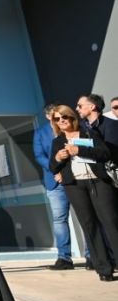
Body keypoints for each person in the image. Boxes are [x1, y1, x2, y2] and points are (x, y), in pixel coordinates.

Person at [49, 104, 118, 282]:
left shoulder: (88, 133)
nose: (61, 121)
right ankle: (104, 268)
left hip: (98, 182)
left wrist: (79, 150)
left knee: (111, 222)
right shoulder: (57, 142)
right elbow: (53, 167)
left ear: (72, 117)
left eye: (64, 117)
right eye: (57, 119)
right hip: (75, 186)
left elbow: (105, 153)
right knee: (89, 225)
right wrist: (58, 158)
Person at [33, 103, 82, 270]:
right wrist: (55, 169)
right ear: (48, 117)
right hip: (54, 182)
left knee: (85, 216)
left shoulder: (73, 129)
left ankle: (92, 255)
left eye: (62, 115)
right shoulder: (40, 133)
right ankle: (64, 258)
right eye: (55, 116)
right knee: (60, 219)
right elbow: (39, 155)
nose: (60, 119)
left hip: (76, 178)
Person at [77, 94, 118, 159]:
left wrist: (80, 151)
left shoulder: (111, 124)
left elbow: (110, 153)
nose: (77, 109)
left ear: (92, 107)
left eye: (80, 106)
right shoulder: (80, 125)